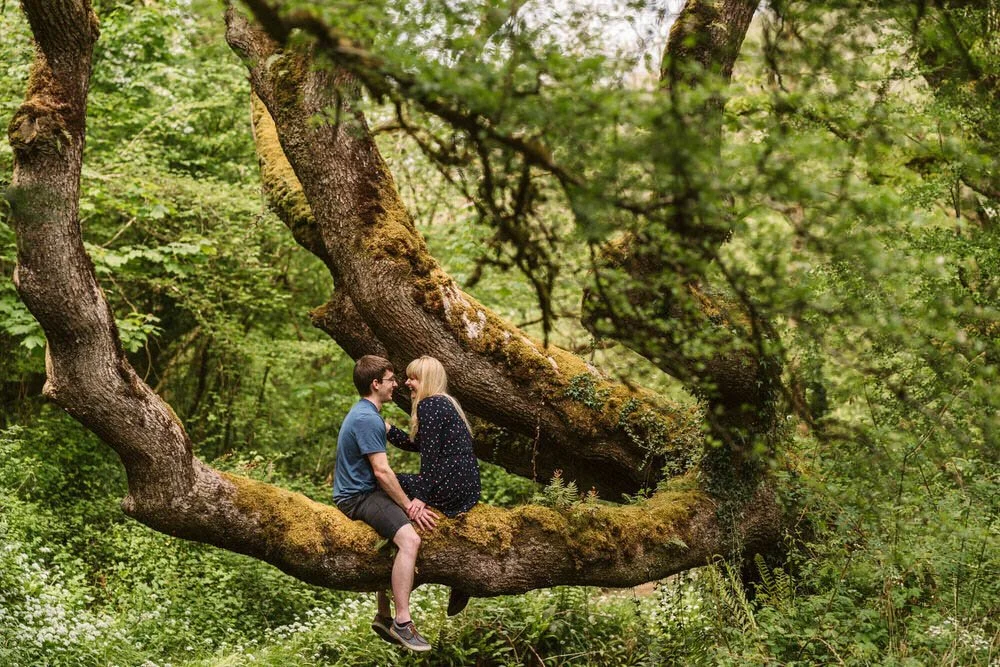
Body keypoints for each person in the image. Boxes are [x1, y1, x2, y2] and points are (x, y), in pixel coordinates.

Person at [332, 355, 437, 652]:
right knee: (410, 539)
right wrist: (408, 506)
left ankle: (382, 614)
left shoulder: (368, 414)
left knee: (389, 538)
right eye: (390, 380)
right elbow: (381, 471)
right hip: (358, 497)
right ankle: (403, 622)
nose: (396, 385)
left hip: (363, 493)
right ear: (375, 384)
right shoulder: (367, 419)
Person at [386, 355, 481, 615]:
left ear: (426, 380)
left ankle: (395, 535)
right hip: (466, 487)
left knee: (389, 481)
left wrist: (421, 498)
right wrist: (389, 429)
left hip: (449, 485)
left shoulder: (430, 406)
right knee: (399, 481)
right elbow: (420, 445)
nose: (407, 383)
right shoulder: (446, 404)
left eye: (413, 378)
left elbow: (430, 459)